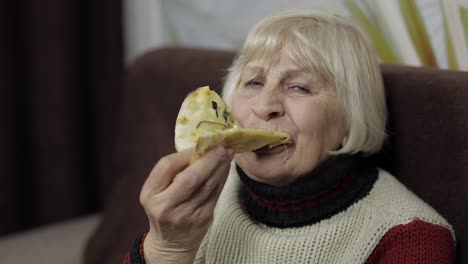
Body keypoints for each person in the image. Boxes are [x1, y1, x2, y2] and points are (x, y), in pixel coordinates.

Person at [123, 10, 455, 264]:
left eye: (299, 87)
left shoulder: (411, 239)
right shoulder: (201, 197)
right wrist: (165, 248)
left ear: (349, 123)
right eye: (253, 82)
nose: (265, 106)